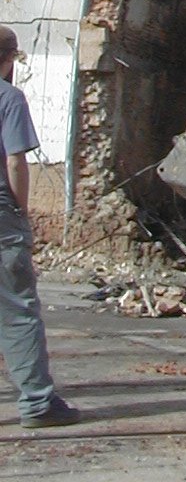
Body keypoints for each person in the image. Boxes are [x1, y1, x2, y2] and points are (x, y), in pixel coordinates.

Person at [0, 25, 80, 428]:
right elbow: (16, 162)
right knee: (17, 311)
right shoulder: (9, 97)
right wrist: (20, 208)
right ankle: (36, 403)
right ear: (10, 59)